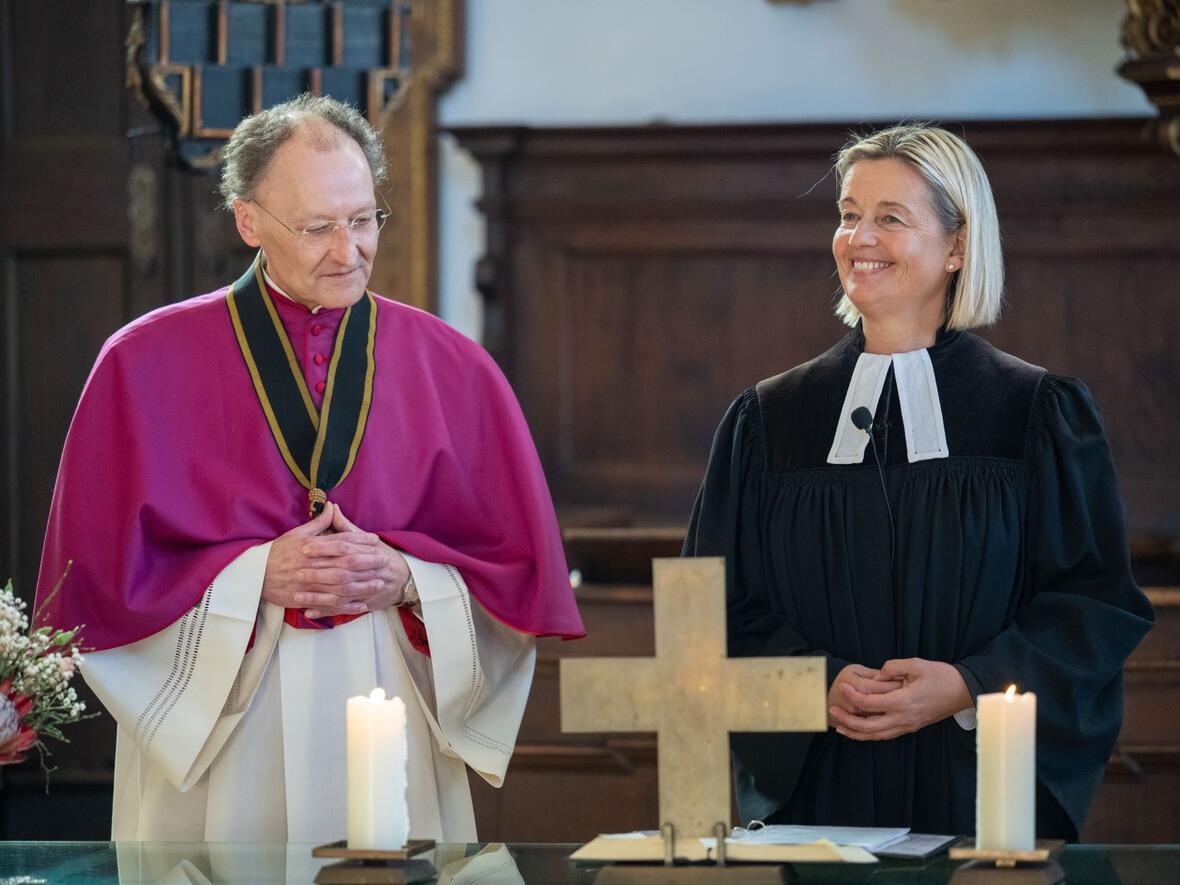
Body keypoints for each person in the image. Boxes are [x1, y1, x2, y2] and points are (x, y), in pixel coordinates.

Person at [34, 94, 584, 843]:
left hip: (389, 697)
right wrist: (252, 575)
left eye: (363, 220)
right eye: (319, 226)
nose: (348, 250)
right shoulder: (140, 363)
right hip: (222, 728)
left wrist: (408, 578)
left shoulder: (456, 369)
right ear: (248, 221)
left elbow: (517, 575)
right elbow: (90, 583)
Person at [683, 123, 1153, 840]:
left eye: (889, 218)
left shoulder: (1035, 414)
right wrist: (814, 683)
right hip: (819, 796)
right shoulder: (768, 420)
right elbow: (710, 613)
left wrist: (969, 683)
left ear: (958, 246)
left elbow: (1095, 604)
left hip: (974, 792)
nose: (857, 237)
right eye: (848, 215)